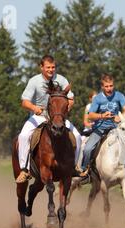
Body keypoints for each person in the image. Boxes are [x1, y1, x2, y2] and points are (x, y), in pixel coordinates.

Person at [15, 55, 82, 183]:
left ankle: (74, 167)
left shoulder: (62, 80)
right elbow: (24, 102)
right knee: (23, 136)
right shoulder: (34, 81)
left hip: (57, 117)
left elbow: (71, 99)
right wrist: (34, 108)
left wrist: (67, 107)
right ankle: (24, 170)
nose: (51, 70)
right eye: (48, 67)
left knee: (78, 137)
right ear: (41, 67)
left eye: (53, 67)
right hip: (39, 116)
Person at [80, 74, 125, 178]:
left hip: (116, 128)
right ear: (102, 87)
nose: (109, 89)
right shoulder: (98, 99)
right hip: (100, 129)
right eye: (106, 86)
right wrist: (102, 115)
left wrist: (121, 117)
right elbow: (90, 115)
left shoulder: (119, 96)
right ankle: (84, 170)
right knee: (87, 149)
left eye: (111, 86)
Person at [76, 90, 98, 169]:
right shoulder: (88, 107)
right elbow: (85, 123)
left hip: (98, 131)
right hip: (88, 130)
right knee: (81, 145)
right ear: (90, 99)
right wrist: (91, 125)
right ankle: (79, 166)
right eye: (94, 98)